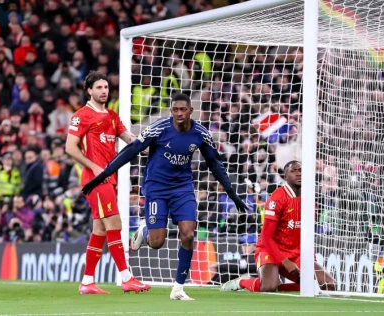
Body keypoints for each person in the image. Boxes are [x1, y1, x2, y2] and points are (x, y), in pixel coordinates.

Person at [82, 93, 248, 300]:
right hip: (156, 189)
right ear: (171, 111)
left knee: (188, 234)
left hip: (183, 189)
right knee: (157, 242)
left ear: (190, 111)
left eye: (183, 110)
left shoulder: (201, 134)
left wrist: (232, 193)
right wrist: (104, 174)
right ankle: (145, 229)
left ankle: (178, 288)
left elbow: (215, 164)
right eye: (175, 110)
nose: (179, 113)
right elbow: (132, 150)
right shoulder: (159, 128)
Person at [65, 71, 149, 294]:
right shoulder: (81, 116)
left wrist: (152, 145)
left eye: (106, 87)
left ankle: (87, 282)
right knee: (115, 225)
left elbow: (130, 140)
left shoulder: (112, 115)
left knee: (99, 230)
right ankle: (126, 278)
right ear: (89, 90)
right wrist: (93, 166)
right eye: (99, 88)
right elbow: (70, 147)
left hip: (109, 179)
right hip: (95, 180)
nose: (103, 91)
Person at [220, 161, 336, 293]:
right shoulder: (277, 198)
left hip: (296, 254)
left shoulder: (310, 199)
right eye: (293, 171)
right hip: (270, 250)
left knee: (328, 285)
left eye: (300, 170)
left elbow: (307, 234)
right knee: (268, 287)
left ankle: (277, 285)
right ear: (285, 176)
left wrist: (310, 259)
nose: (298, 173)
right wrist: (285, 261)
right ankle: (241, 282)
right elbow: (266, 237)